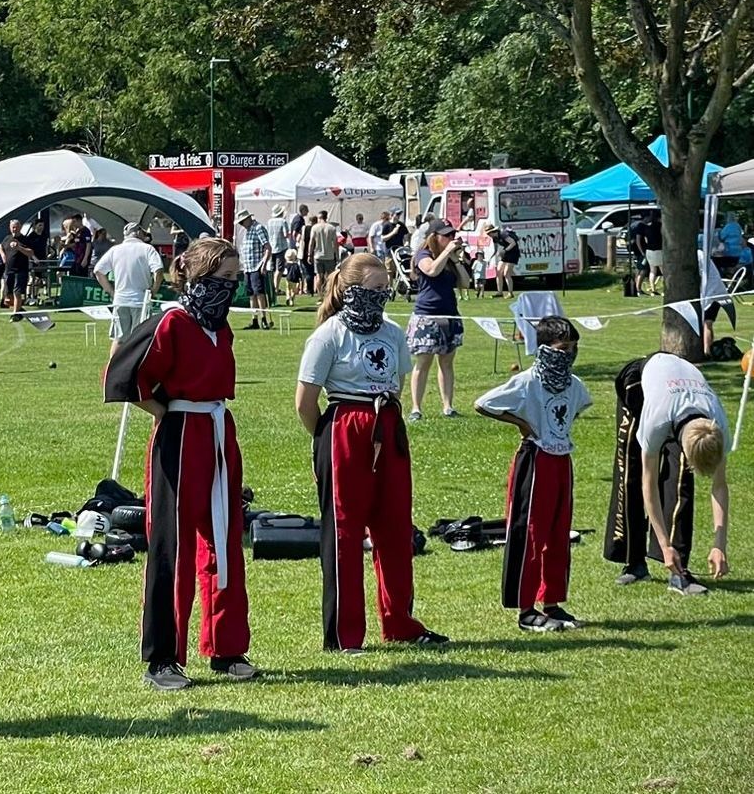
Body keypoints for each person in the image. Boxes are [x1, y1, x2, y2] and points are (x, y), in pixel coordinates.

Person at [104, 238, 259, 690]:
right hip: (181, 434)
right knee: (173, 544)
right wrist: (164, 411)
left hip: (218, 432)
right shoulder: (171, 321)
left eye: (233, 280)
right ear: (194, 276)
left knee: (225, 536)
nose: (228, 288)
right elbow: (123, 374)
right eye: (221, 279)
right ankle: (164, 657)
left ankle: (226, 647)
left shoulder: (221, 326)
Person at [296, 253, 449, 653]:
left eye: (385, 290)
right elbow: (305, 402)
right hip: (344, 427)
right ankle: (346, 635)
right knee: (345, 533)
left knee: (395, 528)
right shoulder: (328, 335)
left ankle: (400, 621)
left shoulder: (394, 332)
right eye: (373, 290)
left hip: (388, 426)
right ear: (350, 292)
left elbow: (395, 383)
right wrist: (325, 442)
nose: (381, 297)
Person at [475, 317, 593, 632]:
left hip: (561, 460)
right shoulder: (527, 382)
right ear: (544, 349)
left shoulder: (575, 385)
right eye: (562, 348)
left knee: (558, 533)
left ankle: (552, 602)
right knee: (530, 533)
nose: (569, 354)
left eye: (573, 348)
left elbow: (578, 408)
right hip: (536, 460)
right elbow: (484, 404)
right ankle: (526, 609)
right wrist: (521, 423)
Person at [604, 352, 731, 595]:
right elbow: (648, 485)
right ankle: (635, 562)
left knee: (681, 476)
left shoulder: (718, 427)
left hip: (681, 391)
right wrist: (664, 544)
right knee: (631, 470)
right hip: (638, 381)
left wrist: (720, 544)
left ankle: (678, 569)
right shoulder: (657, 421)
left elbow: (720, 486)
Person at [405, 219, 469, 421]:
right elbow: (431, 270)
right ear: (435, 237)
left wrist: (456, 260)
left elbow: (466, 283)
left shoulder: (449, 259)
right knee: (423, 362)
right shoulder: (423, 255)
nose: (451, 238)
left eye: (452, 235)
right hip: (427, 315)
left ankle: (448, 406)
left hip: (449, 314)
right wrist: (446, 252)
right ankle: (416, 408)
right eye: (447, 235)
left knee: (447, 363)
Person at [94, 222, 164, 355]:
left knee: (119, 340)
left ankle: (112, 370)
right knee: (140, 340)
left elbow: (98, 271)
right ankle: (136, 369)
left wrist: (111, 292)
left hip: (120, 300)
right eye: (143, 233)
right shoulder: (147, 249)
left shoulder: (115, 250)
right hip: (141, 301)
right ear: (138, 233)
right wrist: (154, 290)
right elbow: (159, 271)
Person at [235, 209, 272, 330]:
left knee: (259, 293)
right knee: (251, 294)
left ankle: (264, 319)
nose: (241, 225)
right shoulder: (247, 231)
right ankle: (254, 319)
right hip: (248, 267)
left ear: (248, 219)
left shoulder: (258, 228)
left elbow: (267, 247)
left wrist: (264, 264)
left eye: (242, 222)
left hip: (257, 266)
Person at [1, 218, 34, 321]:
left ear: (20, 228)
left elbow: (31, 253)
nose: (14, 229)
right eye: (13, 227)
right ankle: (19, 310)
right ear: (10, 228)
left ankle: (15, 314)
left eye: (16, 227)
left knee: (17, 292)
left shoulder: (25, 239)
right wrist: (3, 255)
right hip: (9, 270)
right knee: (7, 298)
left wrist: (19, 248)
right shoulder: (7, 238)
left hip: (20, 270)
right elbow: (0, 246)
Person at [311, 210, 339, 295]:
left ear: (320, 217)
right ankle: (329, 293)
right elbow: (335, 243)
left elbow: (311, 242)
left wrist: (309, 254)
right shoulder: (332, 228)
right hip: (329, 255)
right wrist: (337, 255)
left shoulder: (315, 227)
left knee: (319, 276)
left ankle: (320, 295)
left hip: (318, 256)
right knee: (330, 276)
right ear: (326, 217)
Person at [638, 210, 664, 295]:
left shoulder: (647, 227)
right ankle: (665, 288)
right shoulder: (660, 226)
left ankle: (653, 289)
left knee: (652, 271)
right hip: (658, 249)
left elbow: (645, 239)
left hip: (649, 250)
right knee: (663, 270)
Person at [266, 204, 290, 295]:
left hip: (271, 247)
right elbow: (285, 234)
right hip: (281, 247)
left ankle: (271, 287)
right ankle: (276, 288)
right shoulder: (283, 221)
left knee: (272, 269)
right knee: (279, 269)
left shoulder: (269, 222)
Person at [491, 225, 520, 299]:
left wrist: (505, 250)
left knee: (506, 273)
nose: (489, 235)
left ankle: (510, 293)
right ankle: (499, 292)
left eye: (489, 233)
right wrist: (493, 255)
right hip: (506, 253)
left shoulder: (503, 234)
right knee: (498, 272)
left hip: (513, 253)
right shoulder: (494, 238)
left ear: (493, 232)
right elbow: (496, 249)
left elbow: (513, 243)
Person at [298, 214, 317, 296]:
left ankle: (306, 289)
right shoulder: (315, 229)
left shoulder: (303, 228)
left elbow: (298, 238)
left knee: (306, 272)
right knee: (311, 272)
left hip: (303, 252)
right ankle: (310, 289)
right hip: (312, 252)